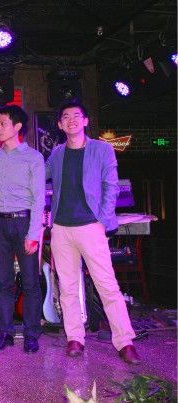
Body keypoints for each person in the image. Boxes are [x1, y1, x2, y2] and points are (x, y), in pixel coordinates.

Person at [46, 102, 140, 364]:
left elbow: (112, 186)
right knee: (67, 288)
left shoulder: (102, 149)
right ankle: (75, 338)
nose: (72, 120)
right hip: (62, 228)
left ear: (86, 121)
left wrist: (102, 221)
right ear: (60, 124)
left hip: (91, 226)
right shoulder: (57, 153)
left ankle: (125, 341)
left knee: (107, 286)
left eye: (77, 116)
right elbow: (39, 174)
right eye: (66, 117)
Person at [0, 105, 45, 353]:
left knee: (31, 281)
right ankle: (5, 332)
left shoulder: (34, 157)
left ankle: (31, 334)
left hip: (24, 222)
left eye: (2, 123)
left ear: (17, 126)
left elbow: (39, 198)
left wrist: (33, 234)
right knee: (3, 282)